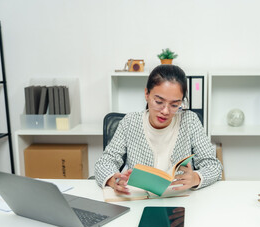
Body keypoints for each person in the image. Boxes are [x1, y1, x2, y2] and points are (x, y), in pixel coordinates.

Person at [95, 64, 222, 194]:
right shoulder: (130, 122)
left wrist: (195, 178)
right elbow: (104, 163)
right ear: (147, 94)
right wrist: (113, 180)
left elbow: (213, 166)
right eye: (159, 102)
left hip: (179, 198)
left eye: (174, 105)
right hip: (140, 197)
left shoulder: (190, 121)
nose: (165, 111)